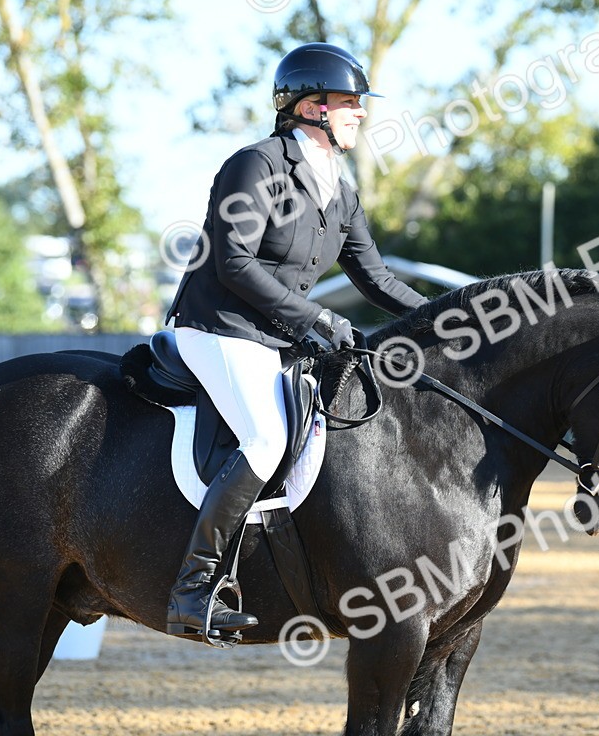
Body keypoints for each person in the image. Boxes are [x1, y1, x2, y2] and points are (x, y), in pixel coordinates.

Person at [162, 42, 428, 640]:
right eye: (350, 102)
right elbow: (233, 263)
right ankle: (193, 591)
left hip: (277, 339)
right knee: (266, 437)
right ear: (311, 108)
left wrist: (454, 314)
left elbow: (377, 279)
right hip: (220, 328)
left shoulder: (340, 187)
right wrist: (317, 319)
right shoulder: (256, 165)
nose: (361, 112)